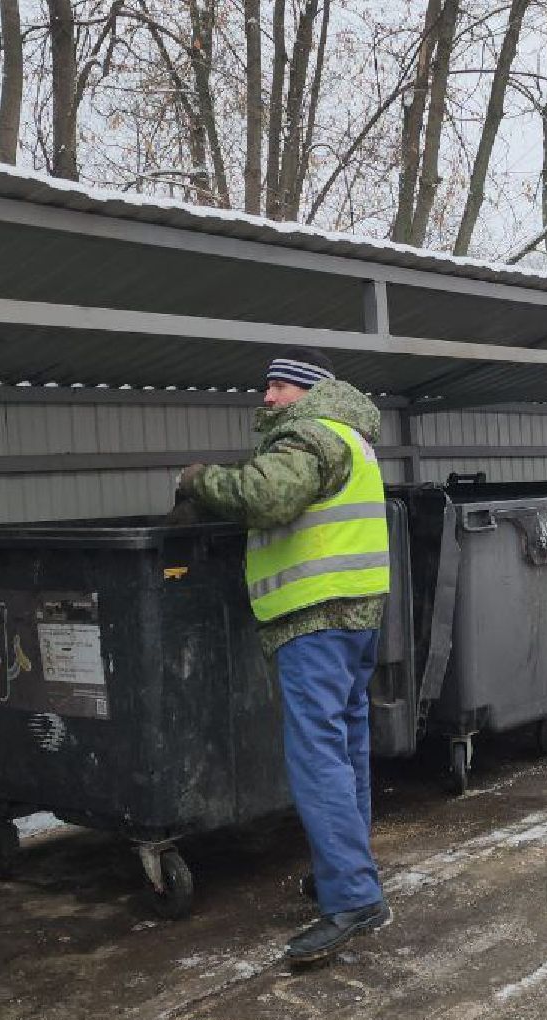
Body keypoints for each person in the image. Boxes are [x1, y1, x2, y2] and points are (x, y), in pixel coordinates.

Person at [177, 347, 392, 965]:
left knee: (317, 753)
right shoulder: (349, 434)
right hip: (353, 614)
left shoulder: (311, 436)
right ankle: (347, 872)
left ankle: (352, 898)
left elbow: (266, 497)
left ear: (308, 390)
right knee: (346, 744)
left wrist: (197, 480)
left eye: (279, 386)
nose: (267, 398)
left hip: (316, 617)